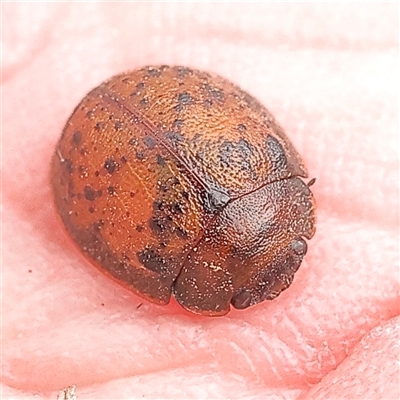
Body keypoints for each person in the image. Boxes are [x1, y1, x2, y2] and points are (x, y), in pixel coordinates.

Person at [2, 2, 398, 399]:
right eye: (244, 294)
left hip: (122, 123)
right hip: (105, 134)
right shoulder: (175, 254)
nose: (277, 287)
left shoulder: (257, 188)